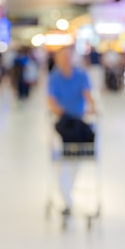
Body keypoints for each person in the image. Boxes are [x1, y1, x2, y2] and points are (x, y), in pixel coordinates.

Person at [47, 46, 95, 215]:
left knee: (77, 159)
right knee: (63, 161)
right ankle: (66, 199)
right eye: (63, 57)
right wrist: (63, 113)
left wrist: (91, 108)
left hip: (78, 120)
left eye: (68, 56)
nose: (66, 60)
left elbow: (88, 95)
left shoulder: (81, 75)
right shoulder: (54, 78)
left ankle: (68, 193)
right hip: (62, 122)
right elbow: (51, 100)